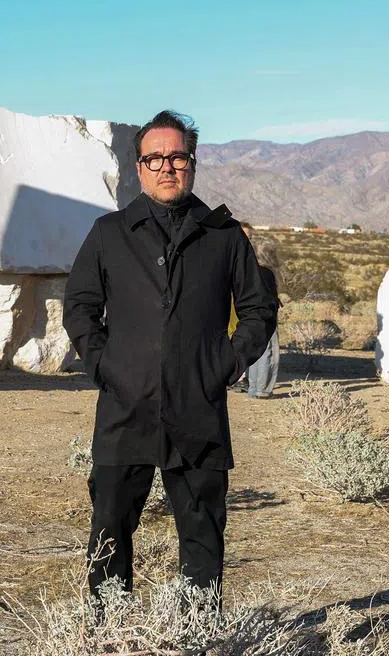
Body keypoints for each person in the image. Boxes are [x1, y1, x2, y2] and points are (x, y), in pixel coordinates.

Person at [63, 110, 277, 600]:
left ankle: (198, 633)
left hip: (197, 410)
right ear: (139, 168)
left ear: (193, 163)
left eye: (176, 156)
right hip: (125, 408)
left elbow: (258, 310)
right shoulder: (109, 233)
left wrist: (225, 364)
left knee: (203, 536)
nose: (166, 167)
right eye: (154, 158)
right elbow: (80, 308)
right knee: (109, 531)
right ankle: (106, 630)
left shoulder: (223, 237)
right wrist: (105, 366)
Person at [245, 238, 282, 399]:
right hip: (266, 315)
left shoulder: (248, 271)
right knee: (269, 351)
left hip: (248, 315)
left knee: (255, 350)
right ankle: (263, 389)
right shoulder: (267, 273)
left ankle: (253, 387)